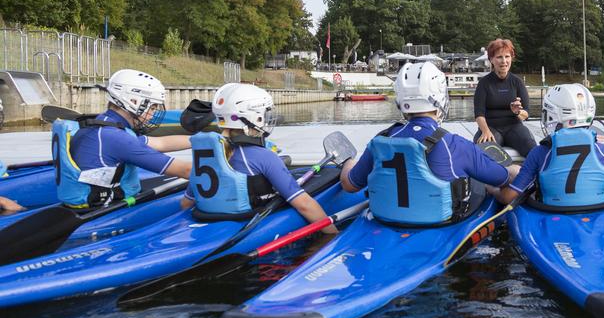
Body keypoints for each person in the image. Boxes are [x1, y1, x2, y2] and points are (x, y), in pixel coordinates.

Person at [342, 61, 516, 226]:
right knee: (487, 178)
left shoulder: (380, 141)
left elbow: (349, 185)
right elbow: (503, 178)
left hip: (386, 218)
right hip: (439, 223)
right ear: (440, 96)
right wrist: (508, 175)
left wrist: (349, 163)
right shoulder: (454, 144)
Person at [179, 83, 337, 232]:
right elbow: (304, 205)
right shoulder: (265, 157)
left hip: (208, 219)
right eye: (265, 113)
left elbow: (186, 203)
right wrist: (333, 234)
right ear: (254, 118)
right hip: (246, 223)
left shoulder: (207, 155)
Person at [52, 69, 192, 209]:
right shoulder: (117, 138)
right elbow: (186, 171)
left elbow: (161, 143)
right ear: (133, 101)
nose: (152, 114)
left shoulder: (103, 124)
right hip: (102, 211)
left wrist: (203, 140)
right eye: (152, 107)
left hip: (82, 203)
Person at [496, 83, 604, 207]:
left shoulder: (539, 153)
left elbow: (509, 197)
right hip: (599, 212)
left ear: (552, 114)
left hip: (552, 213)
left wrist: (495, 190)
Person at [473, 38, 537, 157]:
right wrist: (485, 131)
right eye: (499, 57)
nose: (504, 61)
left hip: (514, 126)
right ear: (491, 59)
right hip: (491, 127)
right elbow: (479, 114)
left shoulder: (517, 82)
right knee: (485, 153)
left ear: (511, 58)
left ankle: (529, 175)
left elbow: (526, 113)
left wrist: (518, 112)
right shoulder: (484, 83)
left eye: (507, 56)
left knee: (533, 150)